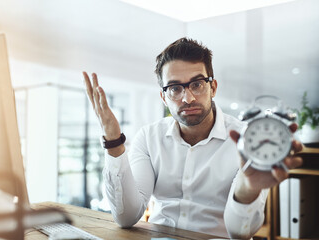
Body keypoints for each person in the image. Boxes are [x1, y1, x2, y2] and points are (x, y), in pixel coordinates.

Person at [83, 38, 303, 239]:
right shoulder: (149, 137)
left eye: (197, 84)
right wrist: (113, 141)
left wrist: (247, 189)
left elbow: (239, 232)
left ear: (213, 87)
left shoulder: (245, 141)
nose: (187, 98)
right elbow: (127, 216)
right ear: (163, 97)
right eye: (175, 88)